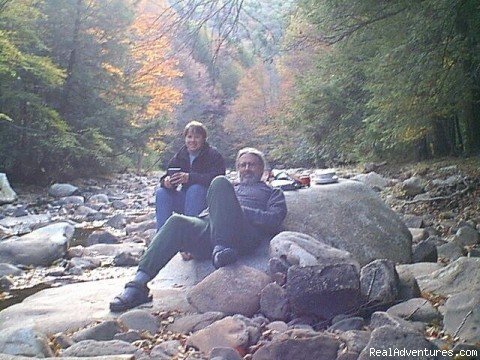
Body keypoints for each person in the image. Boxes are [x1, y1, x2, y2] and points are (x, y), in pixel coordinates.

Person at [110, 147, 287, 312]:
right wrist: (188, 237)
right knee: (177, 221)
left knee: (218, 182)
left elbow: (273, 220)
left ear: (262, 168)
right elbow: (206, 213)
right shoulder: (230, 188)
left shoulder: (273, 192)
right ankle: (137, 285)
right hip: (211, 230)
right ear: (238, 168)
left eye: (252, 164)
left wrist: (239, 210)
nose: (246, 168)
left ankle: (222, 249)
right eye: (242, 165)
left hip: (241, 234)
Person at [155, 121, 225, 231]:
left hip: (207, 203)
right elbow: (166, 176)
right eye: (189, 137)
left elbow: (219, 179)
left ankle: (191, 234)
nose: (192, 140)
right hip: (185, 199)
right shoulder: (181, 155)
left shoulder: (213, 155)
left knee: (195, 189)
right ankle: (162, 235)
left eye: (197, 137)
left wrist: (189, 177)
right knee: (161, 192)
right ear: (185, 138)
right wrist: (167, 182)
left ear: (204, 139)